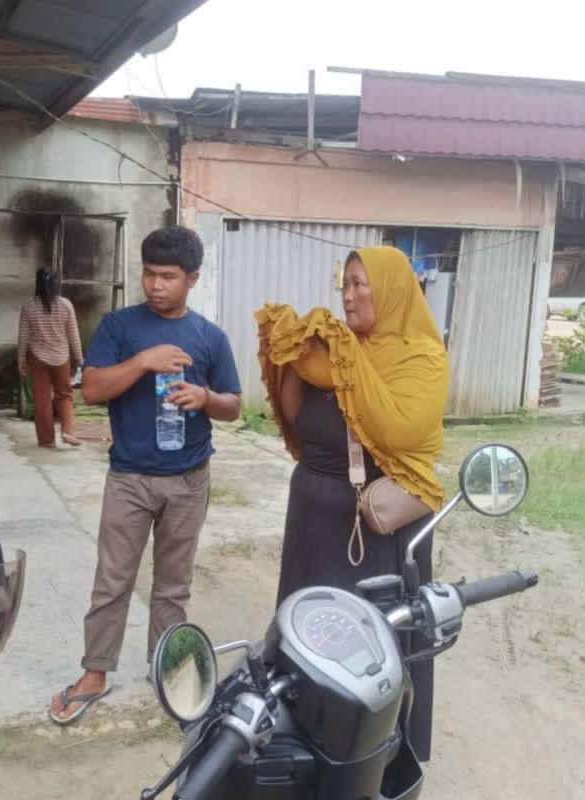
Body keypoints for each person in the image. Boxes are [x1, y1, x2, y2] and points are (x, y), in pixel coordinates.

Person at [255, 245, 449, 761]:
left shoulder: (420, 358)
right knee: (308, 631)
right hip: (313, 521)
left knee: (376, 637)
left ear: (391, 291)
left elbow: (399, 428)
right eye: (346, 284)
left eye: (362, 284)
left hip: (375, 525)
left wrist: (346, 368)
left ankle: (383, 749)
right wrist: (292, 352)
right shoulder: (330, 353)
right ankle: (309, 736)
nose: (349, 294)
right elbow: (294, 415)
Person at [49, 226, 242, 725]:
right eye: (149, 274)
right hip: (129, 477)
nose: (156, 285)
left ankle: (166, 666)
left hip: (188, 478)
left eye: (168, 276)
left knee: (173, 585)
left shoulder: (210, 337)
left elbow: (234, 404)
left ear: (193, 278)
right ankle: (95, 672)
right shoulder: (120, 327)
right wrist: (143, 361)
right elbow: (92, 389)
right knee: (112, 581)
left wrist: (205, 398)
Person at [17, 267, 83, 448]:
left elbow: (23, 336)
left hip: (37, 358)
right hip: (61, 358)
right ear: (56, 284)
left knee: (42, 400)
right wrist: (80, 359)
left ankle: (46, 440)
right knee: (64, 395)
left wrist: (21, 359)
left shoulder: (29, 306)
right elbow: (73, 335)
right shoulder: (66, 305)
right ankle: (67, 431)